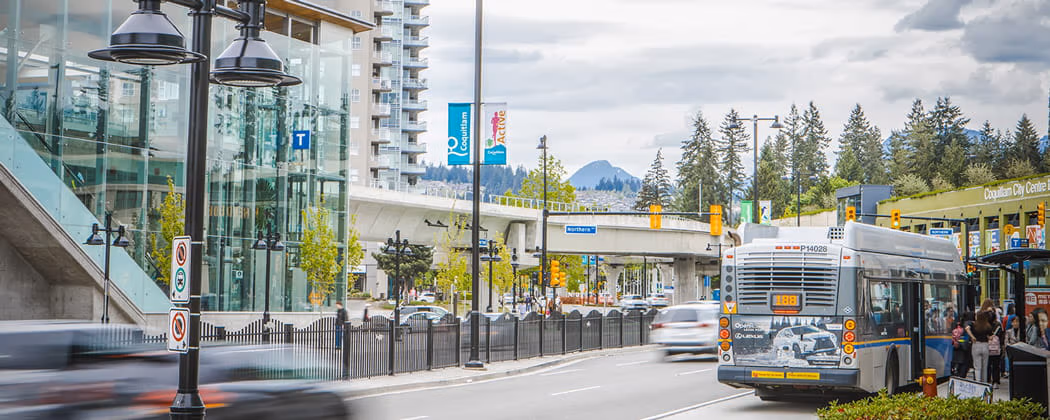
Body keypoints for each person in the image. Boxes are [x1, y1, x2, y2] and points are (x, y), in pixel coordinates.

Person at [966, 299, 998, 383]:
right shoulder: (987, 326)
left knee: (977, 367)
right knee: (985, 367)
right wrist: (990, 337)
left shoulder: (974, 325)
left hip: (976, 345)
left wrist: (972, 337)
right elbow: (990, 337)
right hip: (985, 346)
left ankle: (978, 382)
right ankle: (984, 383)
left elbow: (967, 328)